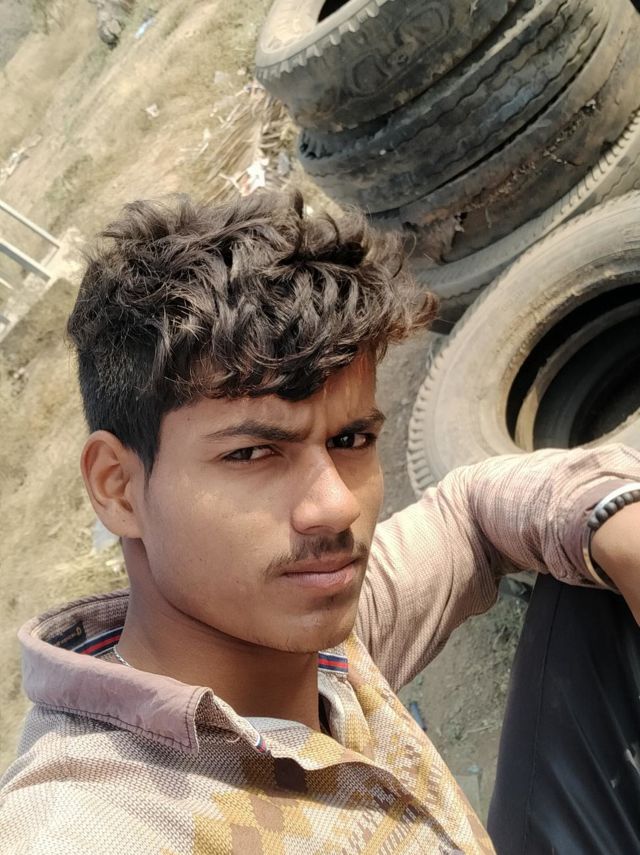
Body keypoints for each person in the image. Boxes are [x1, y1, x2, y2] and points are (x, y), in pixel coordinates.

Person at [0, 190, 639, 855]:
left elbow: (471, 514)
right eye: (252, 453)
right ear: (119, 487)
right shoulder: (87, 823)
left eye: (351, 440)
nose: (336, 507)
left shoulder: (323, 640)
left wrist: (616, 522)